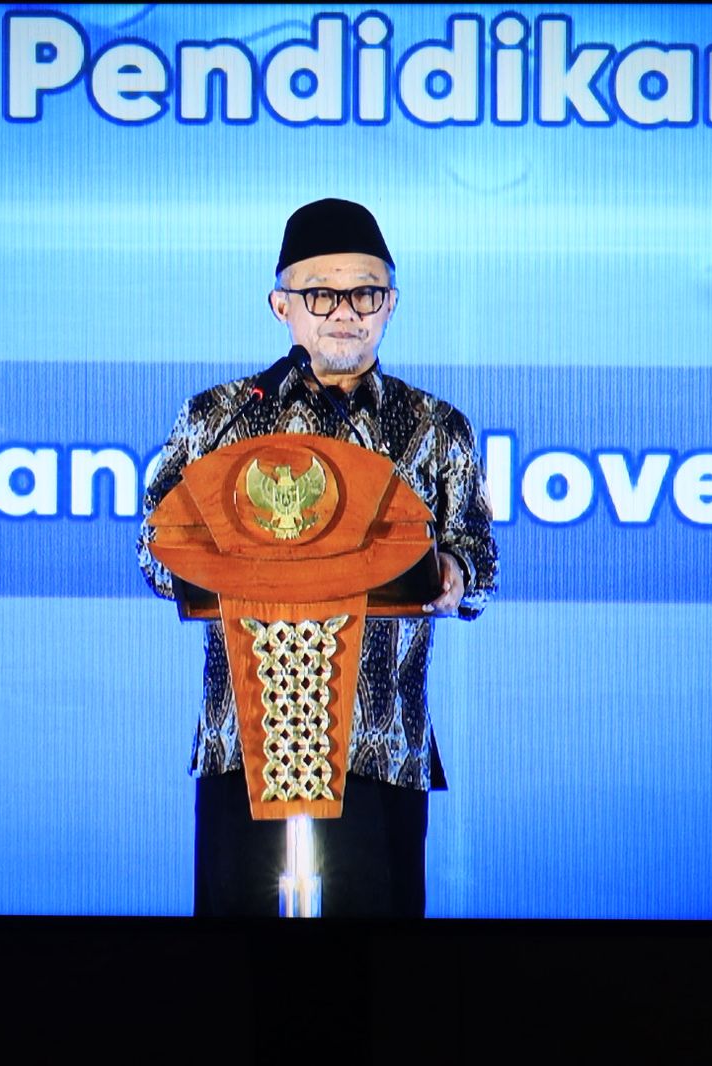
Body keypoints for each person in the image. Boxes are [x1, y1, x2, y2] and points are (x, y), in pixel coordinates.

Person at [137, 198, 498, 918]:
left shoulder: (435, 426)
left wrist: (454, 575)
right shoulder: (220, 418)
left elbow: (480, 562)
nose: (345, 312)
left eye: (365, 293)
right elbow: (156, 552)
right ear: (282, 307)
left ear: (390, 304)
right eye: (321, 294)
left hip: (378, 740)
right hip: (244, 738)